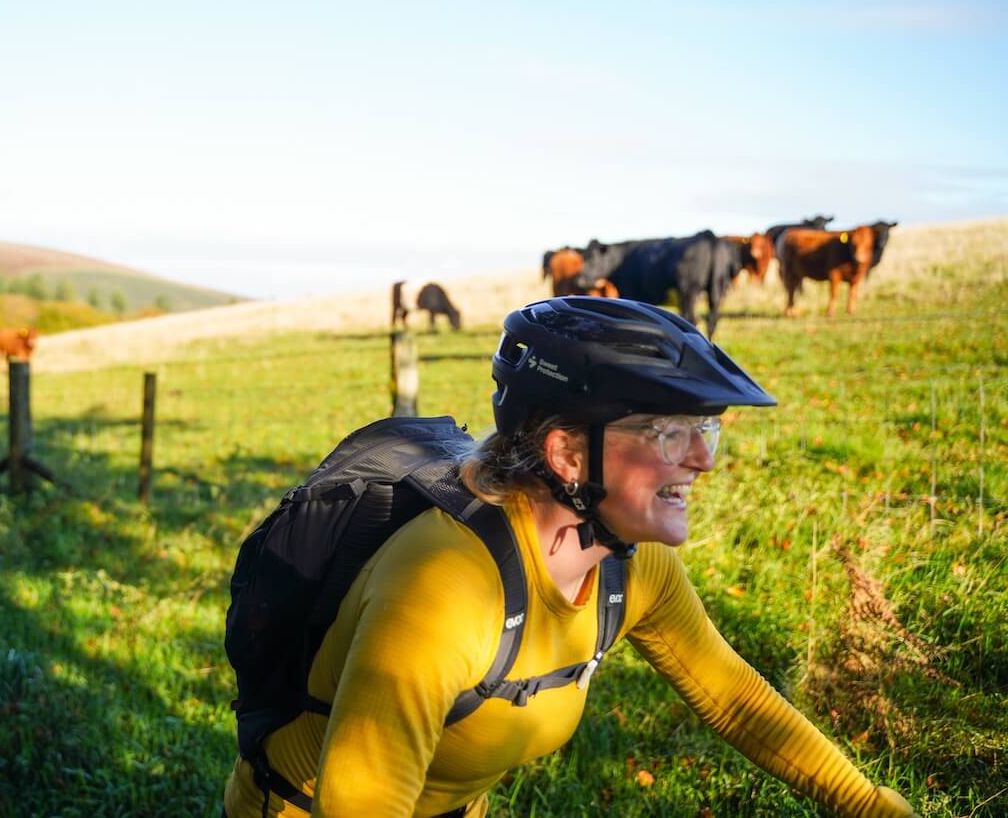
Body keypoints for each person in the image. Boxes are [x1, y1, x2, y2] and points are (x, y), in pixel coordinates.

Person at [222, 297, 913, 817]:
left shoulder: (628, 562)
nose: (703, 459)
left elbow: (734, 700)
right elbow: (363, 800)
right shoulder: (444, 584)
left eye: (704, 431)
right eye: (670, 433)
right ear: (569, 453)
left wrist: (869, 807)